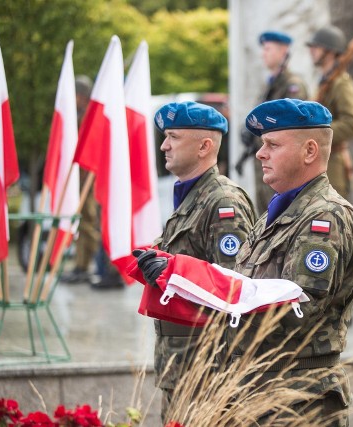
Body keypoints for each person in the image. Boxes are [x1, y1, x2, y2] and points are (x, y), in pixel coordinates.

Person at [136, 99, 353, 425]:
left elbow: (296, 307)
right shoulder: (274, 217)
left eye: (273, 145)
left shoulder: (325, 217)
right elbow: (242, 289)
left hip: (297, 398)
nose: (260, 153)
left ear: (310, 151)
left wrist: (193, 277)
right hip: (256, 390)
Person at [148, 101, 256, 421]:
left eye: (173, 137)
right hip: (182, 366)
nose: (164, 145)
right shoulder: (191, 196)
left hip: (207, 371)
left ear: (204, 146)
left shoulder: (223, 202)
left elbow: (233, 287)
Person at [237, 30, 308, 214]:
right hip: (266, 165)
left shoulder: (292, 85)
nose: (263, 53)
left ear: (283, 51)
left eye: (267, 49)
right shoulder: (268, 85)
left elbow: (295, 126)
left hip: (281, 167)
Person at [307, 25, 353, 200]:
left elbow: (352, 125)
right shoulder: (325, 81)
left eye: (317, 47)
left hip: (334, 168)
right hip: (321, 164)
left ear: (330, 52)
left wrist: (316, 130)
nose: (312, 51)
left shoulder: (341, 83)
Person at [61, 75, 99, 285]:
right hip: (81, 177)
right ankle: (80, 265)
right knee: (83, 222)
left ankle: (86, 266)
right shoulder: (80, 115)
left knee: (88, 223)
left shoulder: (88, 116)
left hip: (88, 178)